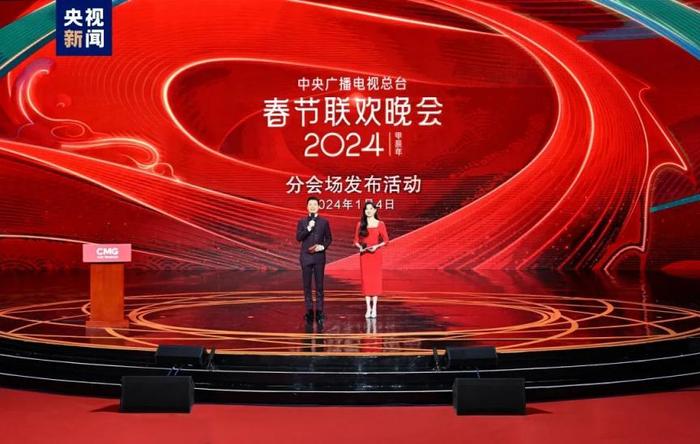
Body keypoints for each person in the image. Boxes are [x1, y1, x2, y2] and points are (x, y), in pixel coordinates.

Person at [296, 196, 332, 323]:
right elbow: (299, 238)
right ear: (307, 207)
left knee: (319, 285)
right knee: (307, 285)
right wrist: (308, 228)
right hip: (306, 257)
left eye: (315, 204)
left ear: (319, 207)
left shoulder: (324, 222)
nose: (312, 206)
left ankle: (320, 311)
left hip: (319, 257)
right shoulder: (302, 222)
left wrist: (323, 246)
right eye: (310, 204)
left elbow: (329, 238)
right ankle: (309, 311)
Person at [353, 201, 389, 318]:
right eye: (366, 209)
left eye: (371, 209)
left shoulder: (380, 224)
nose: (368, 211)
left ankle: (375, 308)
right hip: (365, 255)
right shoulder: (360, 224)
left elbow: (386, 240)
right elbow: (356, 241)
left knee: (375, 281)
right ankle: (368, 308)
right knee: (367, 281)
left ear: (375, 210)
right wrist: (360, 247)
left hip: (376, 255)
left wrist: (376, 246)